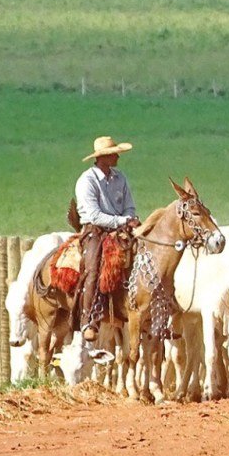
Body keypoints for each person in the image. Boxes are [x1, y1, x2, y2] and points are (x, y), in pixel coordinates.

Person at [74, 135, 139, 340]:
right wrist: (122, 221)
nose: (118, 156)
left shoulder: (121, 178)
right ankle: (88, 320)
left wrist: (129, 219)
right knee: (93, 268)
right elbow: (94, 215)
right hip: (95, 231)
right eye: (113, 154)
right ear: (103, 158)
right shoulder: (87, 181)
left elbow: (129, 205)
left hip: (121, 229)